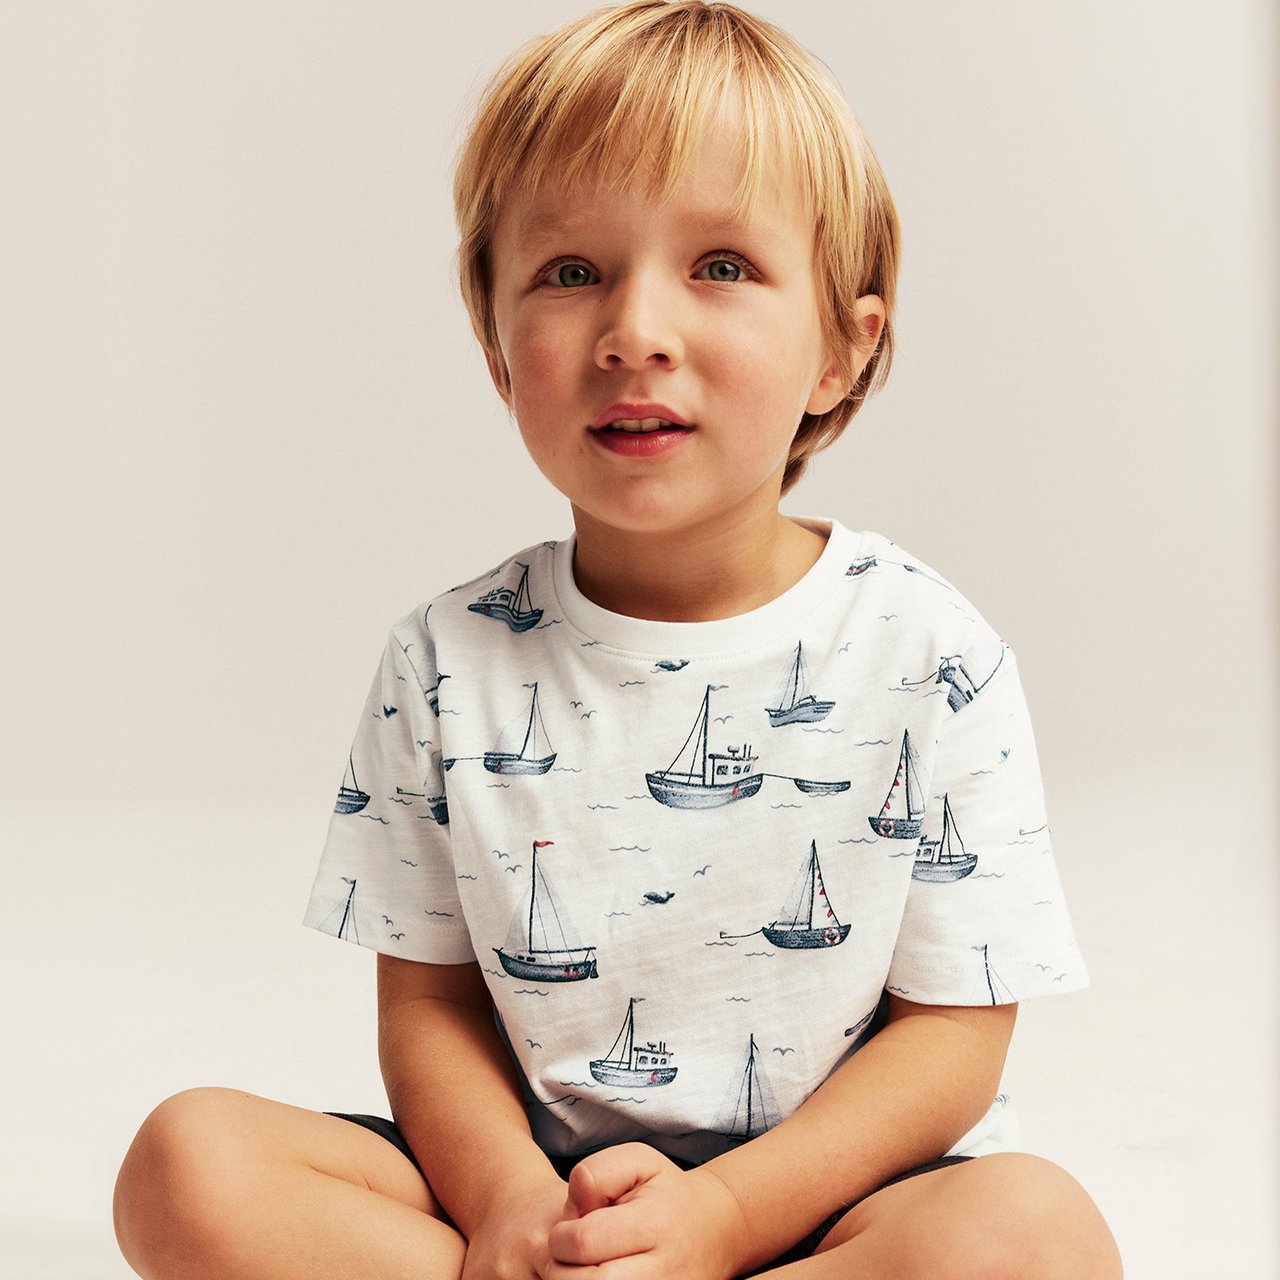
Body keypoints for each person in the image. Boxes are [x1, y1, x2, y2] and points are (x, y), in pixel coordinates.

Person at [113, 3, 1122, 1276]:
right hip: (542, 1194)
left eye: (719, 267)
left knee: (1034, 1233)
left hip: (835, 1200)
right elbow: (429, 1007)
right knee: (186, 1160)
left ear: (840, 352)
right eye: (571, 271)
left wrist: (723, 1218)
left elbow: (954, 1030)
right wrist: (502, 1207)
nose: (635, 329)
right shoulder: (445, 660)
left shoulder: (932, 648)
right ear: (496, 346)